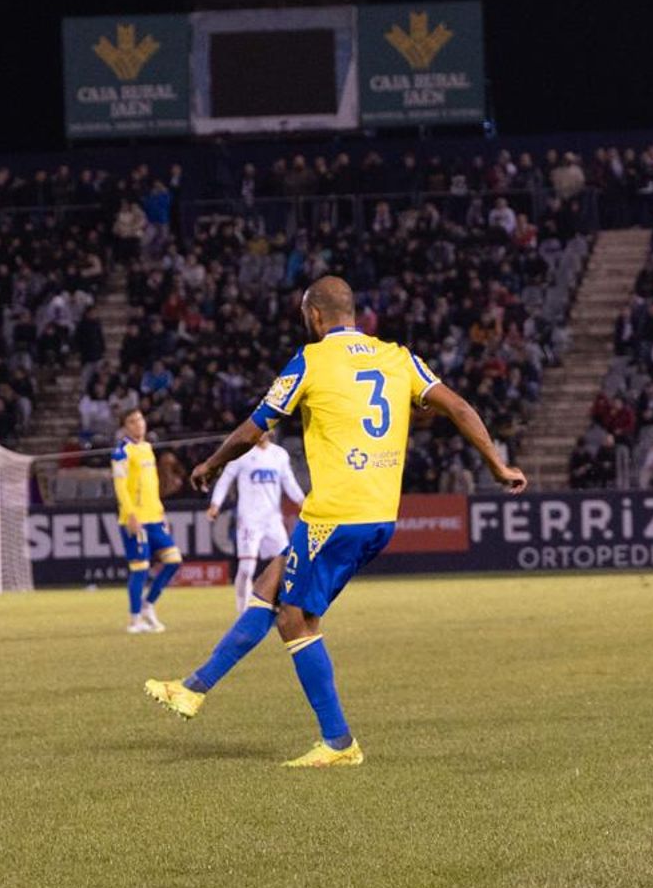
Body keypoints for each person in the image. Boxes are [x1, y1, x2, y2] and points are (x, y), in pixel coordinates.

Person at [144, 276, 526, 767]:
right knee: (269, 583)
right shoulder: (399, 357)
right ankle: (194, 687)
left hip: (335, 513)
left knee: (293, 618)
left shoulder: (311, 359)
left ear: (315, 316)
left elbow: (252, 429)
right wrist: (497, 464)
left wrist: (211, 464)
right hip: (380, 513)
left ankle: (339, 742)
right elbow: (459, 406)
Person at [207, 431, 305, 612]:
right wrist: (215, 504)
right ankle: (243, 611)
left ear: (271, 431)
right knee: (246, 567)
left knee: (284, 565)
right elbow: (225, 479)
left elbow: (289, 482)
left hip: (273, 520)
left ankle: (280, 606)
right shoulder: (242, 454)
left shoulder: (279, 454)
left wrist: (302, 502)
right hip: (249, 519)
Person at [109, 409, 183, 634]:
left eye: (140, 419)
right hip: (135, 520)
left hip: (154, 518)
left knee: (174, 561)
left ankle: (148, 605)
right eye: (132, 421)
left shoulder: (148, 448)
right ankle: (134, 620)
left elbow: (152, 486)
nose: (138, 424)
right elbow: (120, 485)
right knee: (140, 569)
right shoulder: (121, 452)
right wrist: (130, 514)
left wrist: (162, 514)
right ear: (125, 427)